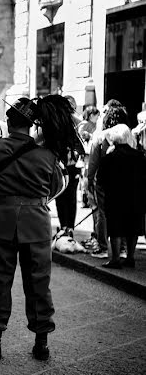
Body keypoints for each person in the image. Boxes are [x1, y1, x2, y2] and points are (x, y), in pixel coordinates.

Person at [0, 95, 78, 362]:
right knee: (39, 283)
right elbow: (54, 189)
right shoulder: (48, 154)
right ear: (32, 125)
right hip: (36, 223)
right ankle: (41, 343)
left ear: (8, 121)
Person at [96, 124, 146, 269]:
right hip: (136, 198)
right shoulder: (140, 157)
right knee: (133, 227)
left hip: (115, 198)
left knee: (116, 228)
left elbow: (100, 181)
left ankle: (116, 259)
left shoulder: (109, 159)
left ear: (113, 139)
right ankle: (130, 257)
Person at [86, 102, 129, 259]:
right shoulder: (128, 134)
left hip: (104, 179)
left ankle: (103, 248)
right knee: (122, 212)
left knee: (103, 213)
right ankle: (123, 250)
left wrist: (89, 180)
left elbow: (93, 162)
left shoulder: (101, 136)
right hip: (124, 180)